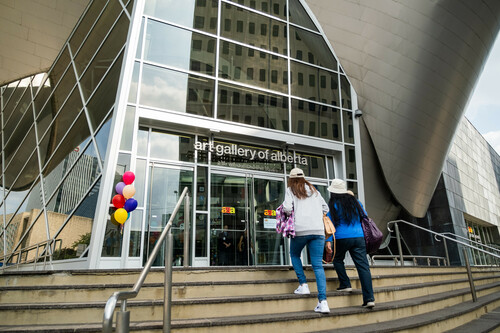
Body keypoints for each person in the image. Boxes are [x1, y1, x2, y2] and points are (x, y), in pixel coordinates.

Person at [282, 167, 330, 313]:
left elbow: (287, 208)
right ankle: (323, 302)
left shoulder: (291, 190)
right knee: (318, 266)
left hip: (301, 230)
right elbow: (325, 208)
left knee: (295, 254)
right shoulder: (315, 191)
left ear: (291, 178)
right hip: (318, 231)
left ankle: (303, 285)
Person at [326, 179, 375, 308]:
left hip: (341, 237)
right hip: (359, 237)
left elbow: (330, 225)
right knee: (363, 267)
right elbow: (365, 217)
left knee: (337, 260)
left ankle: (345, 284)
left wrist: (328, 241)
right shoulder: (356, 202)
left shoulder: (333, 204)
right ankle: (369, 298)